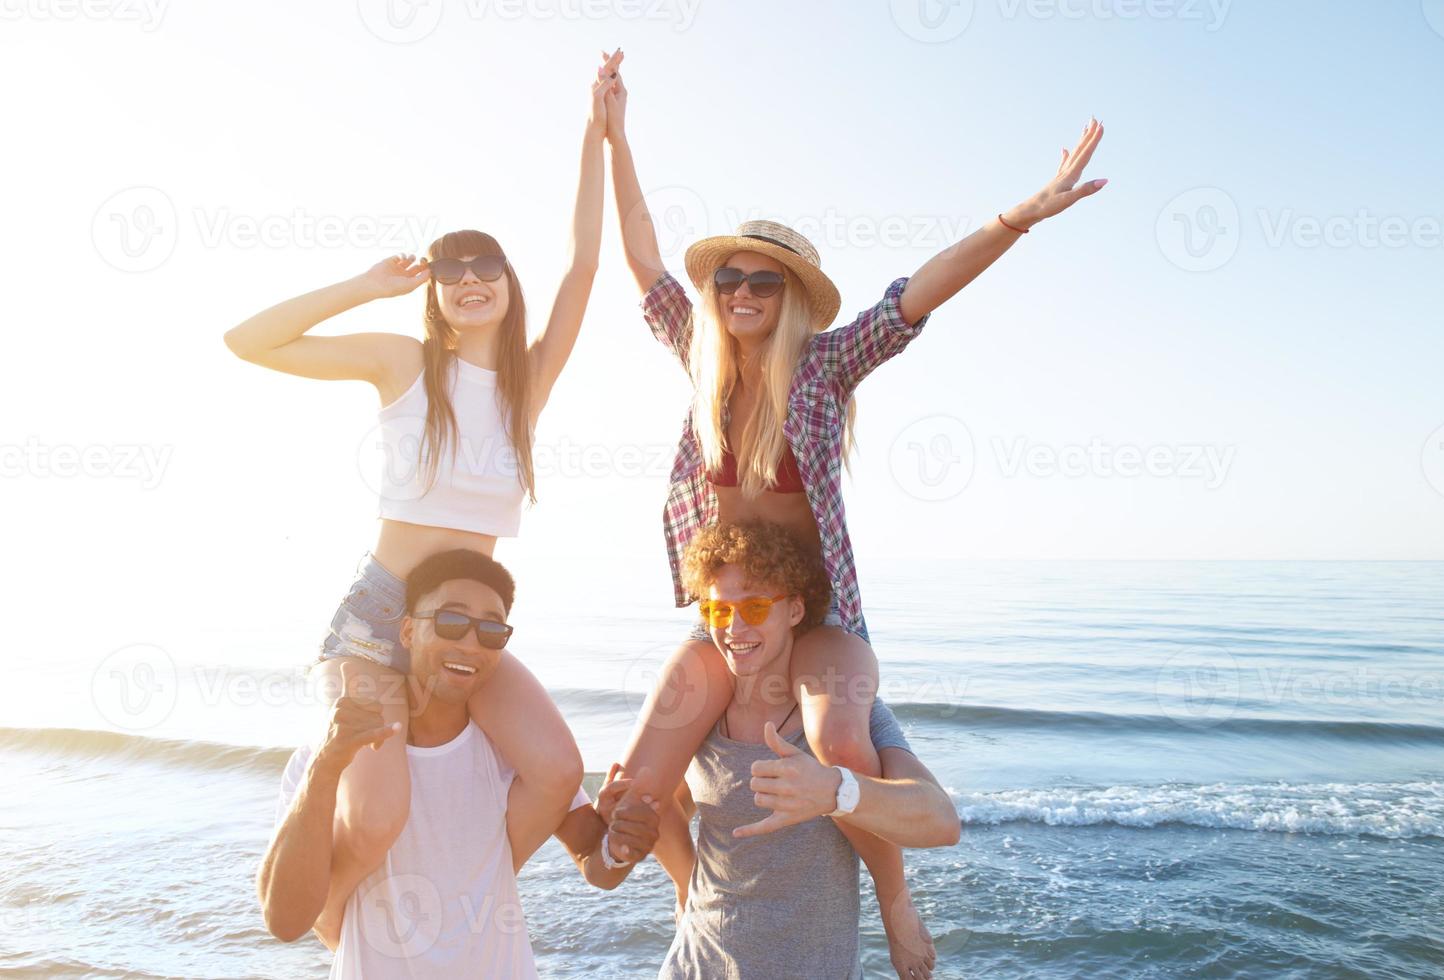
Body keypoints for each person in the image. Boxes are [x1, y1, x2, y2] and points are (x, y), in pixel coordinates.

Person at [600, 54, 1107, 975]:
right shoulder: (695, 353)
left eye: (762, 281)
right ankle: (688, 892)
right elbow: (639, 253)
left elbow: (920, 290)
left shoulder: (829, 364)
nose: (742, 293)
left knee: (839, 745)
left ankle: (897, 903)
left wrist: (1018, 217)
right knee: (643, 769)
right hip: (735, 615)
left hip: (819, 619)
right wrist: (616, 136)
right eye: (729, 281)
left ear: (790, 295)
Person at [229, 51, 628, 924]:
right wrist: (365, 286)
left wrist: (601, 135)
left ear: (507, 285)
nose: (469, 279)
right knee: (373, 820)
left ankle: (466, 898)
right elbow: (247, 340)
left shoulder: (527, 386)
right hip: (378, 622)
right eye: (450, 272)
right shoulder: (404, 366)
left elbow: (584, 266)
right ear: (436, 297)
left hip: (467, 628)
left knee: (559, 769)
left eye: (485, 266)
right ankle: (335, 920)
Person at [260, 549, 664, 976]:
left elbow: (595, 863)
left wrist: (621, 847)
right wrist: (325, 770)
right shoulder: (334, 758)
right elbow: (285, 921)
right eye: (451, 622)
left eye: (491, 630)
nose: (470, 644)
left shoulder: (513, 754)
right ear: (408, 631)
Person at [602, 521, 960, 979]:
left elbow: (942, 820)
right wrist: (680, 878)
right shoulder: (704, 711)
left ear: (794, 609)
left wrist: (836, 792)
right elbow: (667, 805)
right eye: (716, 610)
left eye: (753, 607)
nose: (733, 627)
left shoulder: (846, 709)